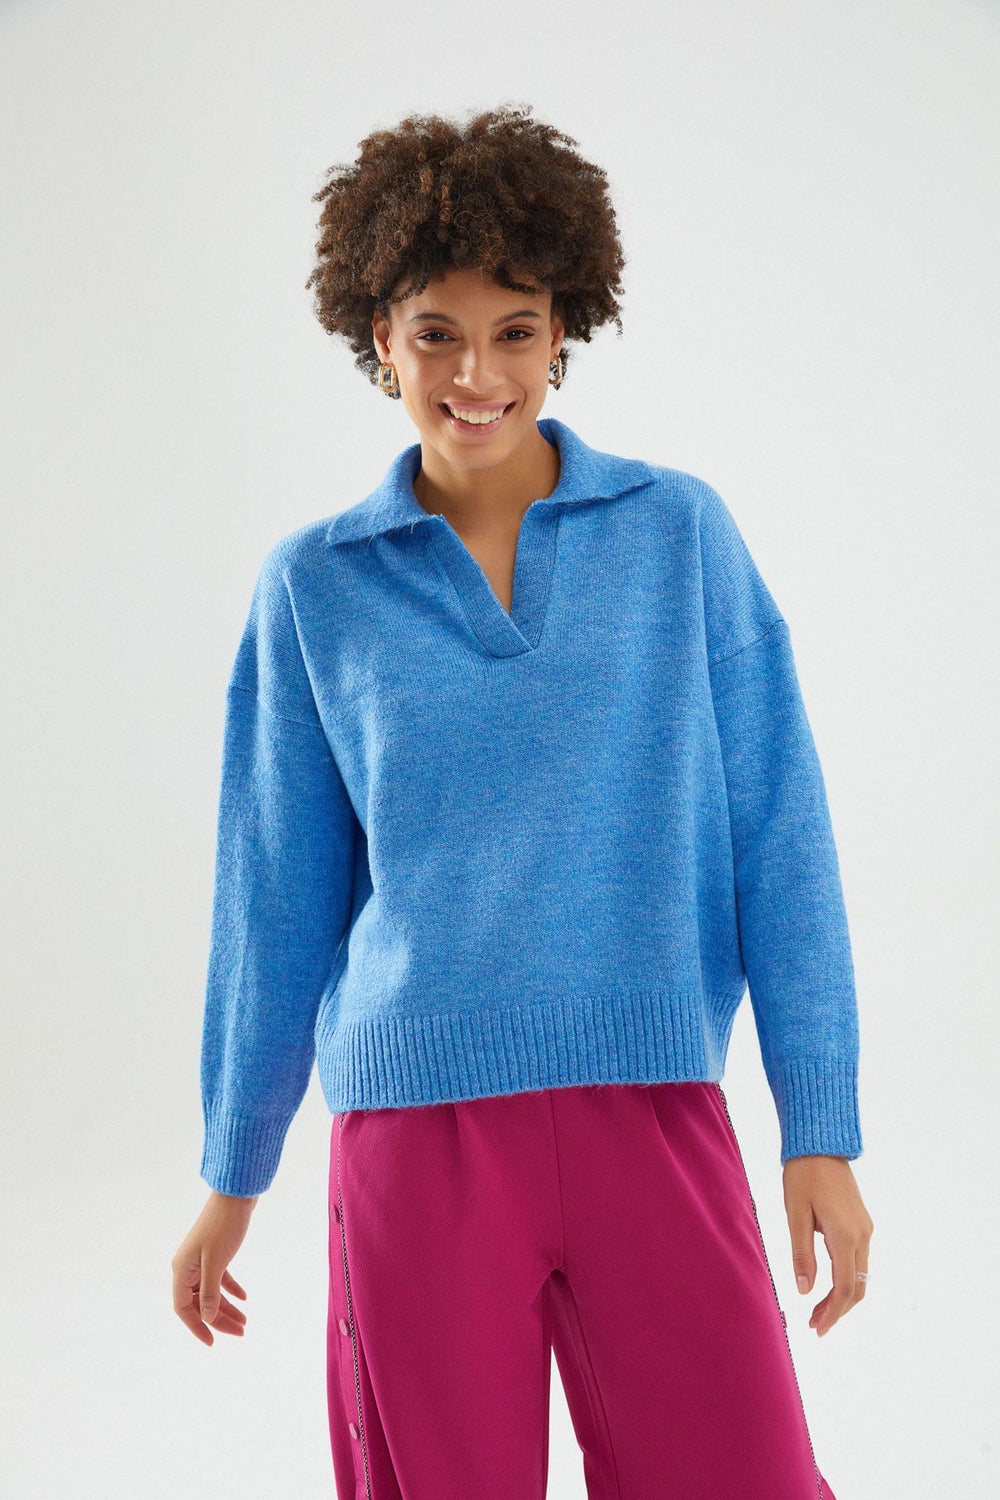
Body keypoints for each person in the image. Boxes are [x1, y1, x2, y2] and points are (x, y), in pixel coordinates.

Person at [172, 103, 874, 1499]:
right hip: (416, 1140)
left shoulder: (678, 535)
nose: (476, 373)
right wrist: (232, 1170)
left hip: (653, 1112)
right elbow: (275, 901)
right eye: (436, 331)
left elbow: (782, 840)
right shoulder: (315, 587)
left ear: (564, 332)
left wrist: (821, 1126)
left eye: (515, 329)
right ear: (379, 336)